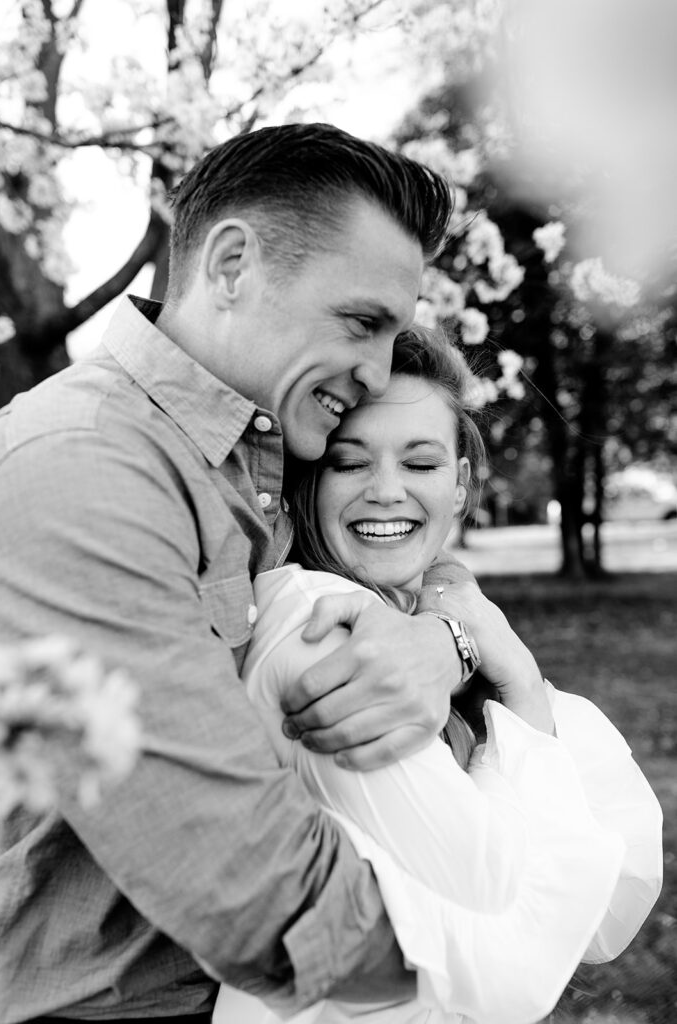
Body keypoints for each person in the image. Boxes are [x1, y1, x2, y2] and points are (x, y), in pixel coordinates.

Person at [0, 123, 487, 1024]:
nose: (378, 375)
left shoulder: (246, 458)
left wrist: (444, 637)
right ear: (230, 265)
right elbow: (245, 890)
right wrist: (490, 962)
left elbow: (388, 559)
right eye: (362, 323)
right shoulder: (84, 468)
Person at [213, 326, 663, 1024]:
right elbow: (514, 916)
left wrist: (469, 638)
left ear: (458, 487)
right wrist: (510, 674)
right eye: (348, 462)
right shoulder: (318, 628)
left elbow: (613, 899)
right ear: (308, 479)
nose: (385, 491)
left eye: (419, 464)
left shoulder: (427, 619)